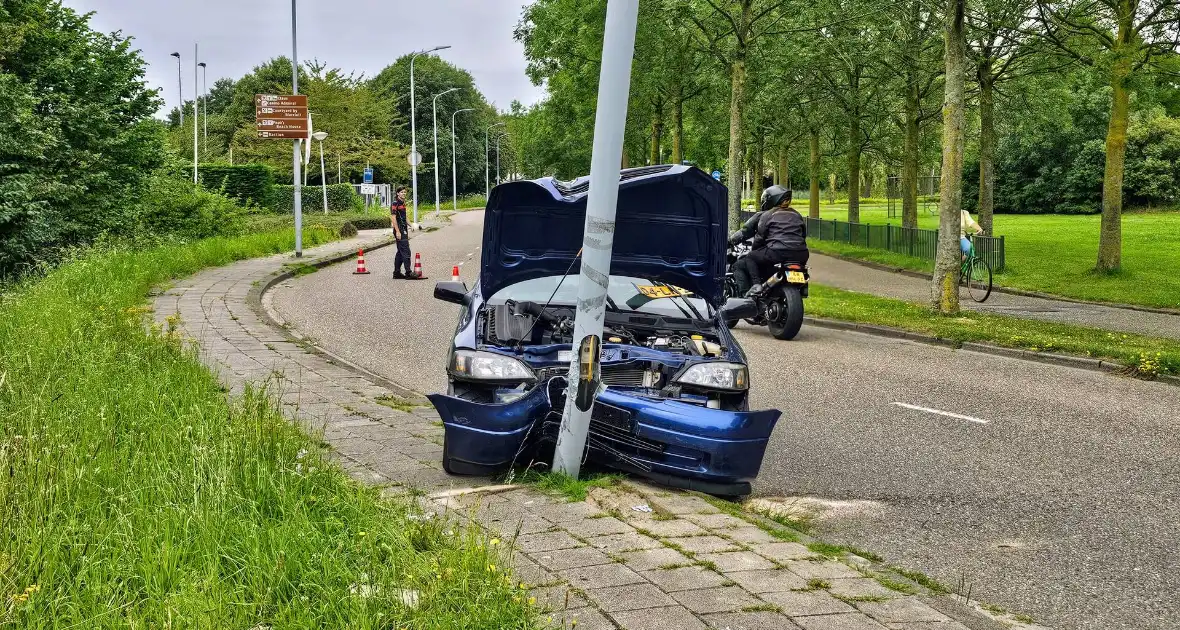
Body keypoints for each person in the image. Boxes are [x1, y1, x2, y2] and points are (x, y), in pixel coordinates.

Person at [728, 185, 808, 297]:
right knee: (800, 267)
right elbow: (803, 234)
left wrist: (754, 250)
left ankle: (756, 286)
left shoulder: (766, 215)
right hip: (801, 253)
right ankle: (803, 288)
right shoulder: (796, 214)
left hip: (777, 252)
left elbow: (758, 237)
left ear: (769, 200)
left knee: (751, 257)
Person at [390, 187, 417, 279]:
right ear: (397, 193)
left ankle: (396, 273)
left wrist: (411, 225)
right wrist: (397, 231)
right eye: (401, 192)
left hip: (404, 229)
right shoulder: (395, 203)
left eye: (405, 192)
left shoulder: (403, 203)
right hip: (399, 230)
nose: (404, 194)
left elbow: (404, 217)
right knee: (406, 251)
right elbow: (393, 218)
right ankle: (408, 273)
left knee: (400, 252)